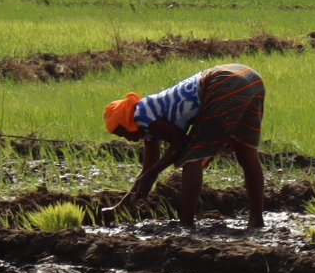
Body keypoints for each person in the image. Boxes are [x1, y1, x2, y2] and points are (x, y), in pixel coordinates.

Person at [101, 63, 268, 228]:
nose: (126, 139)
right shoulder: (148, 118)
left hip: (224, 83)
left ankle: (186, 223)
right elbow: (148, 171)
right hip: (250, 78)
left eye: (122, 133)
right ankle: (256, 220)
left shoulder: (143, 116)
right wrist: (122, 206)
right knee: (246, 154)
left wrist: (152, 174)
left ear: (127, 122)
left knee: (191, 158)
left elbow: (180, 141)